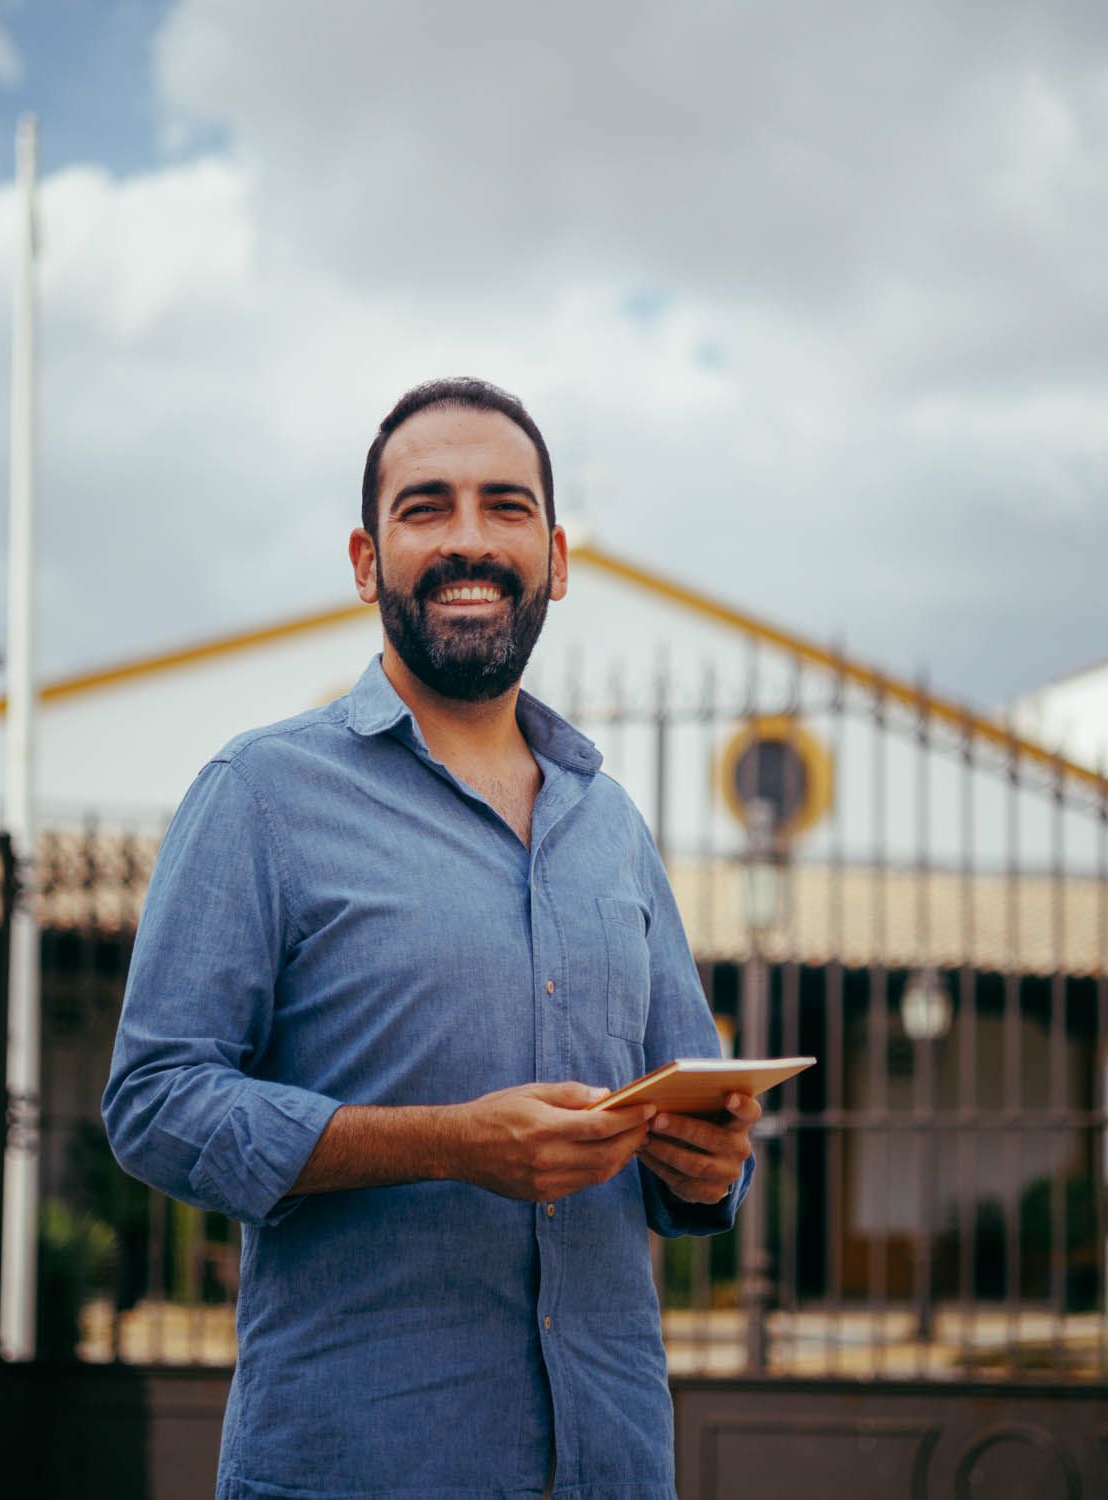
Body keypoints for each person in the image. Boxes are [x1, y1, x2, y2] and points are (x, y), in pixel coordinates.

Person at [104, 375, 756, 1499]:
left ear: (556, 558)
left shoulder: (611, 824)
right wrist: (450, 1144)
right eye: (426, 508)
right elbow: (154, 1103)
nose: (469, 541)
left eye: (505, 508)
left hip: (611, 1464)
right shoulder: (262, 792)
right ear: (367, 561)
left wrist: (709, 1168)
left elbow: (686, 1108)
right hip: (361, 1462)